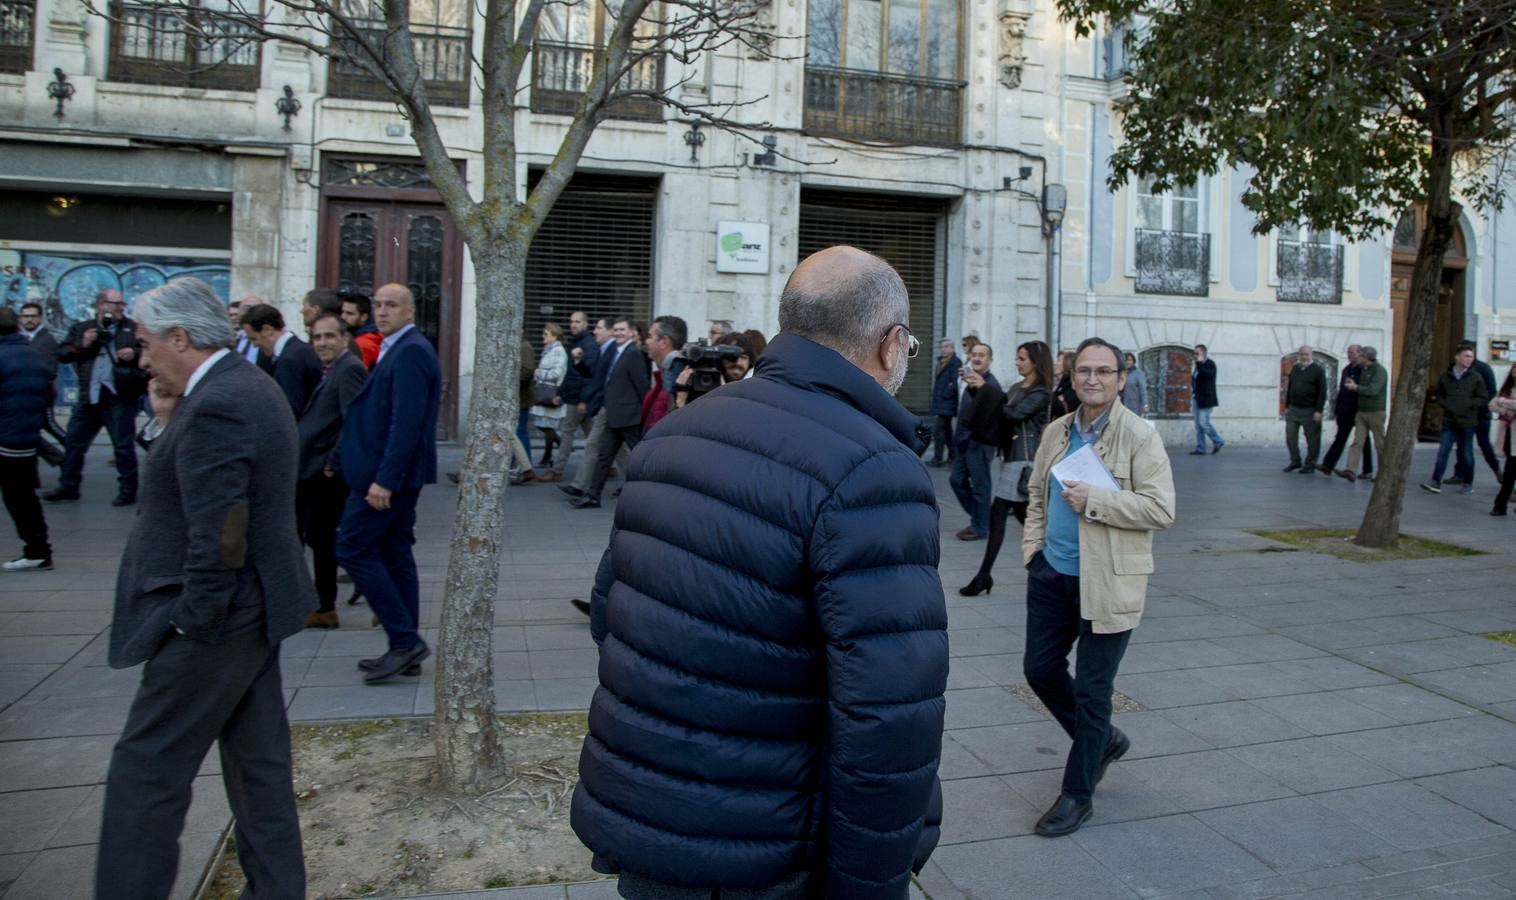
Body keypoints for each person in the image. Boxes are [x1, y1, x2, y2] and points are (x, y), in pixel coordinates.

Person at [571, 245, 946, 899]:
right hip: (766, 854)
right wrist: (870, 885)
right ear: (892, 346)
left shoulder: (675, 433)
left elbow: (612, 616)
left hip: (649, 822)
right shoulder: (874, 469)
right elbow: (887, 716)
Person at [96, 278, 312, 899]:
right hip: (251, 608)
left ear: (179, 337)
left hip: (219, 618)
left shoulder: (222, 399)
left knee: (147, 768)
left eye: (145, 342)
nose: (142, 357)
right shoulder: (239, 387)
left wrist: (193, 619)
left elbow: (221, 531)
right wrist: (166, 420)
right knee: (258, 768)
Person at [1022, 336, 1176, 837]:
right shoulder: (1057, 431)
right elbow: (1036, 495)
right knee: (1040, 670)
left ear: (1121, 378)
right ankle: (1102, 741)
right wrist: (1034, 552)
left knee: (1092, 691)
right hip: (1054, 574)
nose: (1092, 379)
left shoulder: (1139, 437)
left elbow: (1161, 509)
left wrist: (1096, 500)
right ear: (1071, 376)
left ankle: (1077, 794)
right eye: (1084, 371)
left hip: (1109, 581)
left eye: (1103, 371)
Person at [336, 283, 441, 683]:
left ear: (410, 311)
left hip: (388, 479)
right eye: (378, 305)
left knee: (351, 547)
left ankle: (403, 640)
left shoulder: (411, 350)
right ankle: (405, 647)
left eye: (391, 305)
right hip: (389, 476)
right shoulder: (393, 347)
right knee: (395, 552)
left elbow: (406, 423)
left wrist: (385, 480)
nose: (382, 311)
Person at [960, 340, 1053, 596]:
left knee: (1000, 514)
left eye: (1022, 358)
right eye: (1017, 357)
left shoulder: (1040, 392)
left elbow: (1013, 414)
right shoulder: (1016, 387)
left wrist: (986, 388)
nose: (1017, 362)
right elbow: (999, 412)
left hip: (1024, 460)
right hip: (1011, 458)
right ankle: (1051, 562)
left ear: (1035, 361)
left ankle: (984, 575)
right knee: (1026, 517)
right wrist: (978, 389)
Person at [297, 312, 368, 628]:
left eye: (329, 336)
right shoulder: (332, 369)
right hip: (313, 468)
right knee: (319, 537)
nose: (322, 342)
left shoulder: (349, 369)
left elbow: (353, 419)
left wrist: (330, 465)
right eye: (316, 337)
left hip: (325, 473)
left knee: (323, 539)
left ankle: (326, 606)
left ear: (344, 338)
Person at [46, 289, 147, 506]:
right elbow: (63, 354)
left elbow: (151, 354)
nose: (121, 307)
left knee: (123, 446)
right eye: (115, 303)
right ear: (101, 305)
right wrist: (83, 343)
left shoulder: (132, 329)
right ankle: (68, 486)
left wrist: (134, 353)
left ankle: (128, 490)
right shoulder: (83, 328)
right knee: (74, 443)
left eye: (122, 303)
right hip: (88, 396)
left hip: (119, 396)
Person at [567, 317, 649, 509]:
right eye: (617, 330)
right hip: (615, 415)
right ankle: (593, 496)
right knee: (604, 456)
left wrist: (641, 413)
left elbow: (642, 387)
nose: (619, 333)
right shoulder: (617, 351)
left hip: (629, 417)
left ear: (631, 332)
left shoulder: (633, 353)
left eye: (623, 330)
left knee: (637, 456)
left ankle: (647, 492)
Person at [0, 307, 53, 572]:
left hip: (5, 438)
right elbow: (48, 393)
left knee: (19, 499)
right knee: (23, 498)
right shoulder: (33, 353)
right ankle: (38, 550)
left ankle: (37, 551)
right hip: (25, 437)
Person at [1420, 344, 1488, 494]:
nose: (1470, 359)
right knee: (1443, 451)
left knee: (1466, 453)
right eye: (1466, 356)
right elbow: (1438, 395)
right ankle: (1435, 481)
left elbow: (1483, 398)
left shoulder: (1475, 377)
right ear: (1457, 357)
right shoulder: (1446, 376)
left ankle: (1468, 482)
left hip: (1467, 422)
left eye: (1471, 356)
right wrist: (1447, 404)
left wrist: (1468, 404)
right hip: (1449, 421)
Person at [950, 342, 1000, 540]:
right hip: (964, 441)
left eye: (982, 355)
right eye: (974, 355)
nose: (977, 358)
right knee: (956, 480)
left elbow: (991, 415)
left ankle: (980, 525)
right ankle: (982, 518)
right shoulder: (970, 379)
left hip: (979, 443)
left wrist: (980, 389)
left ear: (990, 360)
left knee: (981, 487)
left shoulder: (990, 385)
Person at [544, 311, 601, 484]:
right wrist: (560, 393)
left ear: (585, 324)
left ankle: (557, 470)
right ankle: (610, 466)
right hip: (575, 397)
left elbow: (589, 374)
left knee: (567, 432)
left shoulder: (588, 345)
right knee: (592, 434)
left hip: (579, 399)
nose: (573, 325)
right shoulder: (577, 342)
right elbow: (571, 372)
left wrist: (583, 399)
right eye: (571, 322)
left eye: (577, 322)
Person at [242, 303, 323, 418]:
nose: (254, 345)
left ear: (267, 329)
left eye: (254, 338)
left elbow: (290, 410)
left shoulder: (290, 359)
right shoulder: (298, 351)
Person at [1446, 340, 1502, 485]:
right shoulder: (1454, 368)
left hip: (1481, 415)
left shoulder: (1483, 368)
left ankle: (1497, 471)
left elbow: (1492, 391)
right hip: (1463, 416)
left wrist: (1476, 404)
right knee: (1462, 445)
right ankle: (1459, 474)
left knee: (1484, 445)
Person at [18, 300, 65, 466]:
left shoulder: (46, 340)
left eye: (33, 316)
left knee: (50, 426)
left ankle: (72, 452)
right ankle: (63, 458)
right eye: (25, 316)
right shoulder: (22, 338)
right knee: (29, 432)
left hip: (41, 394)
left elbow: (50, 371)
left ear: (40, 318)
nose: (29, 320)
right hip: (26, 397)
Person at [1319, 344, 1373, 480]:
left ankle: (1367, 470)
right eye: (1348, 352)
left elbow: (1365, 389)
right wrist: (1337, 408)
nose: (1349, 354)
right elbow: (1342, 391)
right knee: (1340, 437)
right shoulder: (1346, 369)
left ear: (1360, 354)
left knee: (1364, 440)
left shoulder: (1364, 370)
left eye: (1352, 352)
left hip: (1358, 409)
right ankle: (1328, 465)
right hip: (1345, 410)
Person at [1339, 345, 1387, 482]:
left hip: (1375, 412)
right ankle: (1350, 470)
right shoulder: (1365, 370)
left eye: (1360, 356)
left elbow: (1373, 390)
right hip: (1362, 412)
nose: (1358, 358)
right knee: (1357, 442)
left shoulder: (1379, 371)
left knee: (1380, 444)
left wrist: (1356, 387)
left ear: (1366, 358)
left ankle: (1383, 473)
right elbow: (1363, 387)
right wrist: (1354, 384)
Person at [529, 323, 569, 472]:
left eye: (546, 334)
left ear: (554, 336)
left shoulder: (558, 351)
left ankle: (547, 457)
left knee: (548, 426)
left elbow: (557, 373)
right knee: (542, 424)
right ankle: (559, 442)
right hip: (544, 391)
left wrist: (539, 373)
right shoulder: (549, 350)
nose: (543, 336)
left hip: (551, 392)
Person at [1282, 344, 1327, 473]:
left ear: (1311, 355)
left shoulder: (1318, 370)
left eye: (1306, 354)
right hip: (1294, 409)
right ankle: (1295, 461)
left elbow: (1322, 392)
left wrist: (1319, 410)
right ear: (1298, 355)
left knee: (1312, 439)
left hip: (1310, 409)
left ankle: (1310, 464)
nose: (1304, 357)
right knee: (1290, 436)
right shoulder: (1295, 368)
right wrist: (1286, 405)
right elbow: (1290, 387)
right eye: (1302, 354)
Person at [639, 315, 688, 431]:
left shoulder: (676, 382)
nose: (646, 341)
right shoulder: (664, 378)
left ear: (664, 342)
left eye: (650, 336)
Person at [929, 338, 963, 467]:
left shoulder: (955, 362)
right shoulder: (941, 362)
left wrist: (946, 394)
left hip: (948, 401)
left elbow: (955, 383)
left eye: (946, 347)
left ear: (952, 348)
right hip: (941, 401)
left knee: (938, 430)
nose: (943, 349)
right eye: (942, 347)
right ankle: (953, 456)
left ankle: (938, 458)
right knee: (947, 430)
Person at [1491, 368, 1516, 515]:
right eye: (1514, 371)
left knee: (1510, 472)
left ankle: (1500, 505)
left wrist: (1504, 402)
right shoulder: (1507, 389)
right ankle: (1500, 506)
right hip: (1509, 436)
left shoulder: (1505, 396)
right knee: (1509, 473)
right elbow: (1492, 404)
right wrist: (1506, 410)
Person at [1190, 343, 1224, 455]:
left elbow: (1206, 376)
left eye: (1197, 353)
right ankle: (1201, 448)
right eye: (1194, 353)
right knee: (1198, 425)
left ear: (1203, 353)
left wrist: (1199, 363)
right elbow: (1195, 380)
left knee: (1203, 422)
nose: (1195, 355)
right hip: (1197, 398)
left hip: (1207, 399)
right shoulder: (1197, 364)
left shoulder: (1210, 364)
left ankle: (1218, 441)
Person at [341, 293, 383, 369]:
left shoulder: (361, 344)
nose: (343, 317)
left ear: (364, 317)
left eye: (349, 313)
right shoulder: (371, 335)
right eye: (342, 312)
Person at [231, 295, 264, 363]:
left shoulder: (267, 338)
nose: (249, 312)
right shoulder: (235, 338)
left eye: (254, 309)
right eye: (246, 308)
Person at [1051, 350, 1079, 419]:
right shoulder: (1059, 383)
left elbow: (1062, 410)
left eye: (1058, 361)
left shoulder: (1072, 386)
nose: (1055, 363)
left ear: (1067, 363)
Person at [1119, 351, 1147, 416]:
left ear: (1133, 361)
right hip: (1120, 404)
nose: (1127, 362)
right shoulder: (1120, 373)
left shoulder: (1138, 374)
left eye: (1129, 360)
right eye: (1125, 360)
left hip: (1133, 406)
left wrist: (1145, 405)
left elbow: (1143, 390)